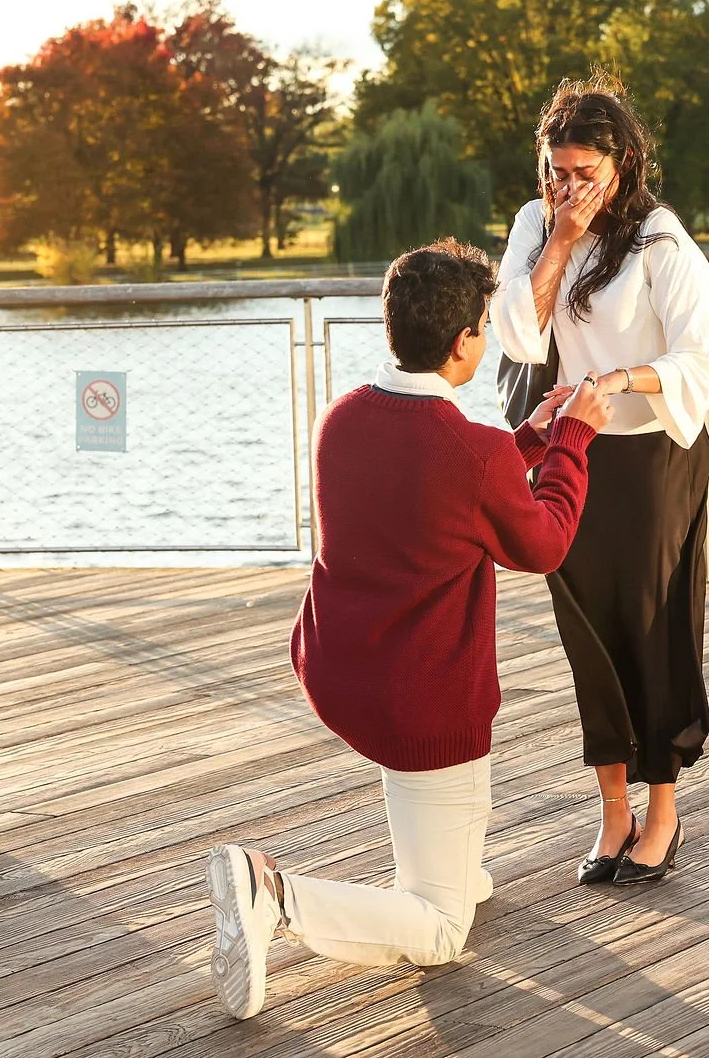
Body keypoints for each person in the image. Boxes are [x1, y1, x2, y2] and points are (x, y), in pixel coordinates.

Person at [205, 239, 613, 1021]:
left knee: (452, 858)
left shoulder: (342, 418)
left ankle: (444, 867)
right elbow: (544, 541)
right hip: (421, 704)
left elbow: (433, 490)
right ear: (463, 343)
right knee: (438, 926)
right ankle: (275, 892)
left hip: (345, 673)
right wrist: (572, 441)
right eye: (485, 327)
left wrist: (522, 441)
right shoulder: (471, 453)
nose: (487, 338)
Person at [489, 73, 709, 887]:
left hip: (652, 453)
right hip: (573, 452)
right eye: (557, 170)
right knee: (586, 630)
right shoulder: (535, 222)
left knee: (649, 628)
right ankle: (612, 810)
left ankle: (663, 810)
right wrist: (557, 238)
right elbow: (518, 333)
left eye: (585, 172)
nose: (569, 186)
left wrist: (617, 383)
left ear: (621, 161)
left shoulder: (660, 239)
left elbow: (696, 359)